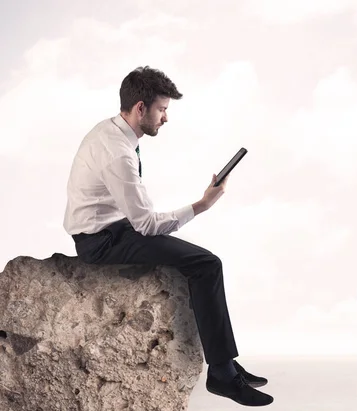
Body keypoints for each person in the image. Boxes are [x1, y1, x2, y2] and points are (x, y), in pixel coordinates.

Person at [62, 66, 273, 407]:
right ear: (141, 108)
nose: (166, 118)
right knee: (206, 264)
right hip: (102, 241)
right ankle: (221, 375)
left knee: (202, 261)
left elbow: (137, 213)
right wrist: (202, 205)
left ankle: (226, 363)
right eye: (162, 109)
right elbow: (145, 224)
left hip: (114, 226)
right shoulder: (117, 151)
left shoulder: (113, 133)